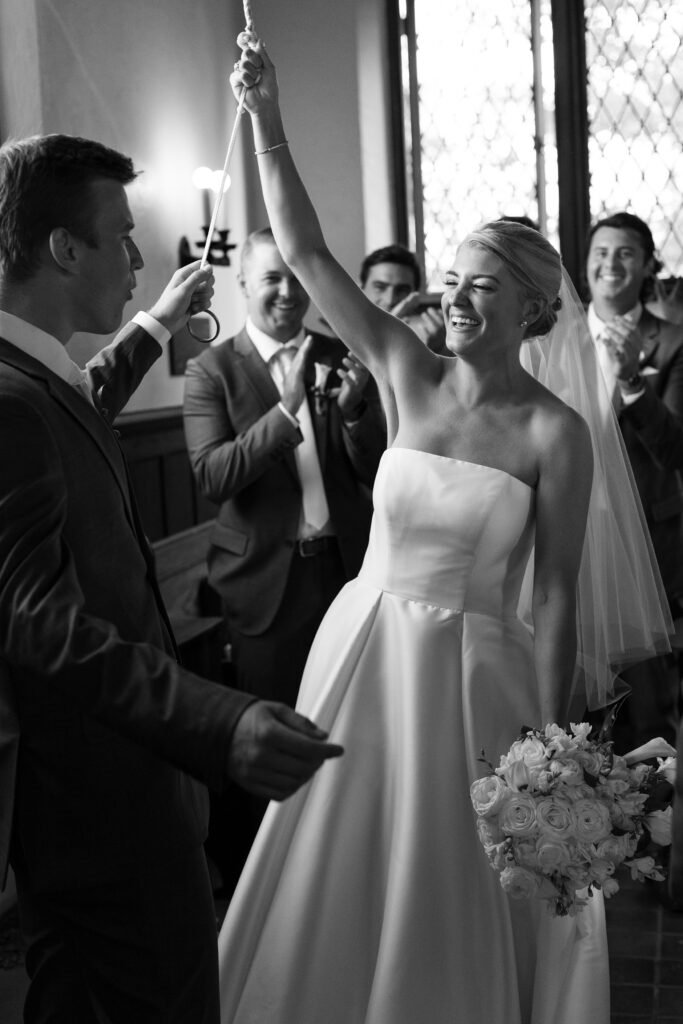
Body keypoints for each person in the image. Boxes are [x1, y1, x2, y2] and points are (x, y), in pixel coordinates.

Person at [214, 40, 671, 1024]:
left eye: (479, 285)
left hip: (472, 676)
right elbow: (302, 252)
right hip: (366, 643)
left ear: (533, 308)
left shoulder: (554, 432)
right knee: (345, 844)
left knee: (452, 863)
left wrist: (550, 741)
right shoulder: (401, 370)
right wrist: (268, 119)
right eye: (452, 278)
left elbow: (551, 593)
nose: (454, 297)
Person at [0, 132, 343, 1024]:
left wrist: (154, 322)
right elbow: (36, 620)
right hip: (99, 790)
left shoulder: (31, 376)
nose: (140, 254)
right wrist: (215, 717)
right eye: (120, 235)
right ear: (63, 249)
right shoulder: (8, 401)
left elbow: (71, 406)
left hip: (89, 788)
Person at [183, 226, 385, 712]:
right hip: (265, 582)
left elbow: (377, 469)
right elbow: (213, 476)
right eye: (272, 277)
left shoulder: (341, 354)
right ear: (245, 284)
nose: (289, 291)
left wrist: (356, 412)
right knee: (276, 731)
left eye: (296, 275)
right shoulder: (212, 370)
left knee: (352, 720)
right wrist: (286, 411)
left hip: (347, 569)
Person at [585, 211, 683, 750]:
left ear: (647, 266)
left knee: (645, 711)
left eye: (625, 253)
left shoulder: (670, 342)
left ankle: (650, 829)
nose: (611, 263)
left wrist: (630, 382)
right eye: (601, 251)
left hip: (642, 540)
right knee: (575, 707)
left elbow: (675, 449)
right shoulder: (556, 336)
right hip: (571, 536)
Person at [360, 242, 447, 352]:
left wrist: (434, 352)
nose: (390, 300)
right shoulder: (339, 332)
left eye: (402, 290)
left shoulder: (420, 344)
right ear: (360, 289)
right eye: (380, 287)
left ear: (414, 298)